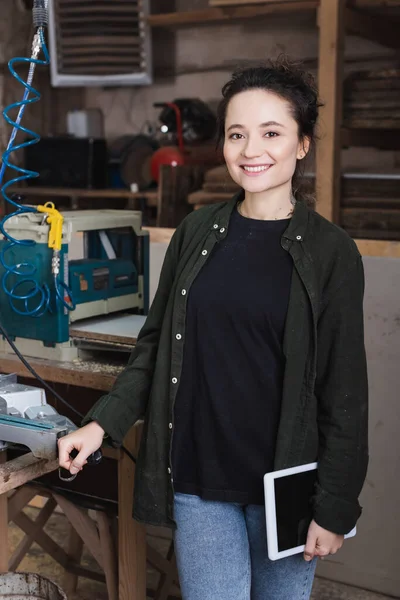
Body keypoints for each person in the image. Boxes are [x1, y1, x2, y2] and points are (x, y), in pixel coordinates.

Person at [58, 58, 369, 600]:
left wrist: (335, 506)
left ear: (302, 144)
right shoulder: (197, 232)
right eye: (237, 134)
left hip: (286, 488)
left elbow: (344, 394)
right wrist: (99, 425)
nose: (252, 150)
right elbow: (154, 347)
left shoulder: (331, 253)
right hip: (200, 481)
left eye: (272, 133)